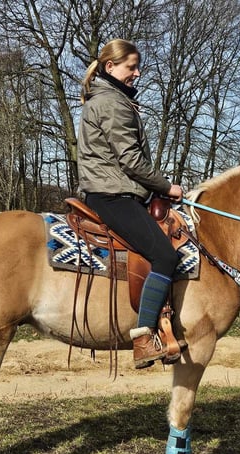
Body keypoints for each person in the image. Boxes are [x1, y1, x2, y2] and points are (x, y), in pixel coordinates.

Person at [78, 39, 185, 369]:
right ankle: (143, 338)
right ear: (110, 67)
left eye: (138, 67)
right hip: (111, 194)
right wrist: (168, 186)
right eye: (131, 67)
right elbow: (131, 161)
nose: (137, 73)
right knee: (165, 255)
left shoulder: (112, 99)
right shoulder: (113, 103)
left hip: (115, 189)